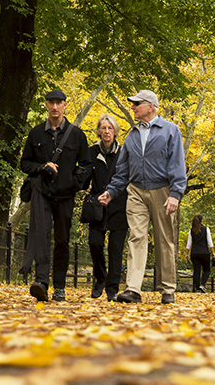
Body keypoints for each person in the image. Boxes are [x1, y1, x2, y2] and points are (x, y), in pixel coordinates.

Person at [98, 90, 186, 305]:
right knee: (136, 237)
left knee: (164, 239)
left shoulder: (170, 130)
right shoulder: (133, 134)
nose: (133, 107)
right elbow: (123, 170)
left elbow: (177, 164)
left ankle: (167, 289)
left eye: (137, 103)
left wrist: (175, 194)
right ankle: (133, 289)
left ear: (151, 106)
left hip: (162, 191)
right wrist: (111, 191)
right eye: (133, 103)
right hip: (136, 191)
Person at [20, 89, 92, 302]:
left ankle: (59, 286)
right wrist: (42, 167)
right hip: (42, 194)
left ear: (65, 105)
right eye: (51, 103)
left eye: (58, 103)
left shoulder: (77, 134)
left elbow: (87, 164)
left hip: (65, 196)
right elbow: (25, 163)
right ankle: (41, 282)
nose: (54, 107)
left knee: (62, 240)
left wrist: (74, 183)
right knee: (41, 236)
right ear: (46, 105)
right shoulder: (35, 134)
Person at [82, 114, 127, 302]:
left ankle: (112, 288)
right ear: (98, 131)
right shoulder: (91, 152)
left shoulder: (124, 152)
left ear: (115, 131)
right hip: (97, 205)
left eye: (110, 128)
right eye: (103, 128)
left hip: (119, 205)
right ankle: (100, 278)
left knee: (116, 249)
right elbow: (83, 176)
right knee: (94, 243)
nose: (106, 131)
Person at [185, 214, 215, 292]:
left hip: (194, 253)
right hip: (204, 253)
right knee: (207, 270)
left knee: (197, 271)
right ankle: (202, 285)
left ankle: (196, 287)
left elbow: (189, 244)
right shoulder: (206, 229)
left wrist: (186, 254)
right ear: (201, 221)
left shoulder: (191, 230)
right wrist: (213, 252)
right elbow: (210, 242)